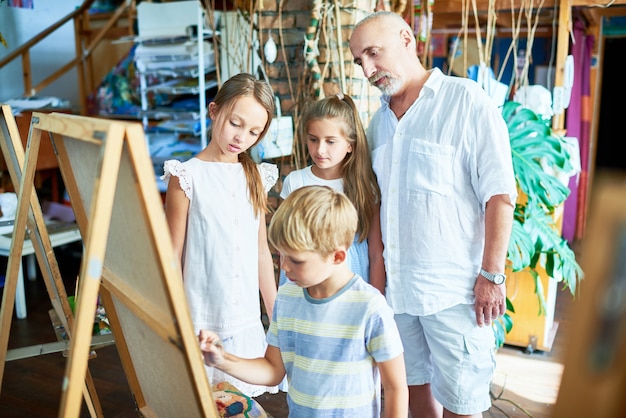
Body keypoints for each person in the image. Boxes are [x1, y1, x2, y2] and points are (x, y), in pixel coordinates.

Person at [349, 11, 518, 418]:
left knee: (464, 405)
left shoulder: (466, 101)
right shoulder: (378, 124)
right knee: (412, 399)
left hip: (455, 294)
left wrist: (492, 276)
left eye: (374, 53)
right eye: (359, 61)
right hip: (399, 295)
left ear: (407, 38)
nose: (368, 69)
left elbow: (500, 195)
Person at [199, 185, 408, 418]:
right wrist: (222, 359)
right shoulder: (288, 298)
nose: (284, 267)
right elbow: (272, 370)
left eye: (296, 260)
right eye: (280, 255)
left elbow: (395, 387)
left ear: (337, 256)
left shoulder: (369, 307)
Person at [161, 72, 281, 397]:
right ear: (214, 111)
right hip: (200, 315)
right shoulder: (186, 176)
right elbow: (171, 256)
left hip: (243, 318)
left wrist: (276, 314)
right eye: (235, 123)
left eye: (254, 131)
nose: (241, 137)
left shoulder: (256, 176)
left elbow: (260, 253)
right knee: (199, 401)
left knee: (238, 403)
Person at [278, 93, 385, 293]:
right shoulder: (296, 182)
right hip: (302, 284)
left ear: (350, 145)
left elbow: (376, 253)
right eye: (313, 140)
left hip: (352, 280)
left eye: (330, 141)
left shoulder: (364, 187)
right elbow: (285, 248)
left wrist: (376, 300)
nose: (320, 150)